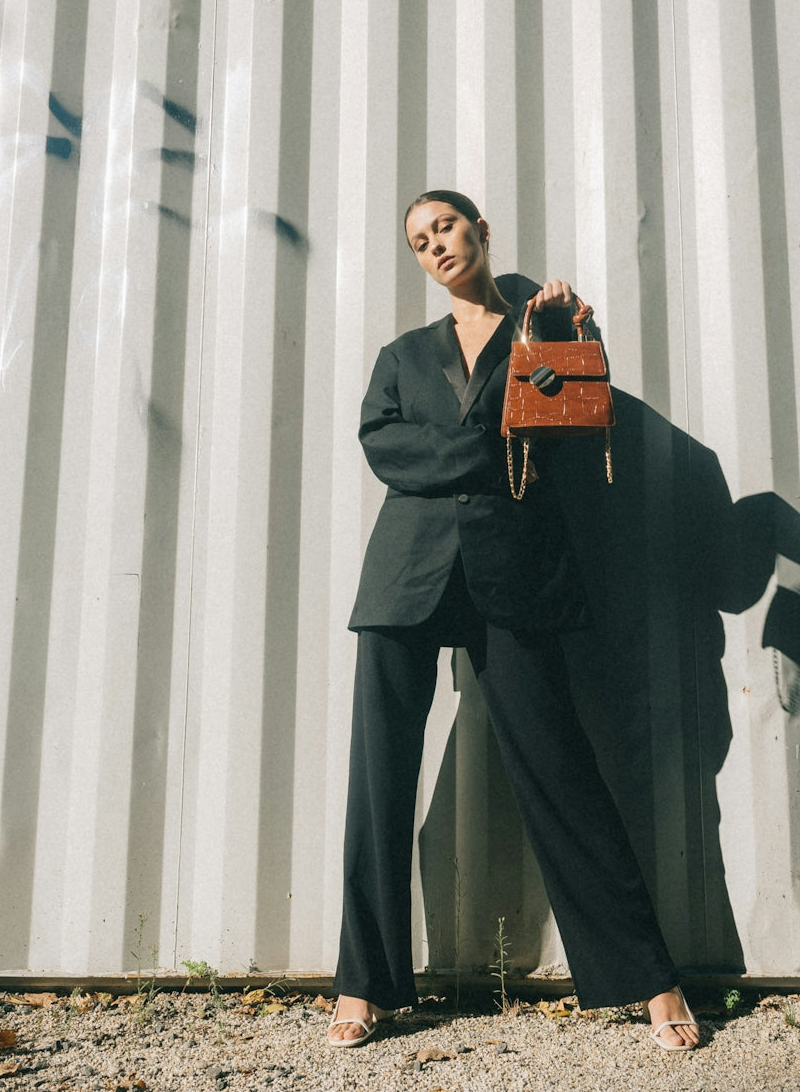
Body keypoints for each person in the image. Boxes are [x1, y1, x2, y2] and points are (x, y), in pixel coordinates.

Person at [327, 190, 700, 1052]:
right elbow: (383, 444)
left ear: (481, 231)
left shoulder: (546, 328)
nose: (435, 247)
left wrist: (574, 331)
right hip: (404, 578)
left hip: (514, 568)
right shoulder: (402, 354)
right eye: (419, 241)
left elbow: (580, 415)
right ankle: (364, 983)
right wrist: (501, 442)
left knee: (560, 767)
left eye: (446, 228)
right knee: (379, 781)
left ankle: (648, 975)